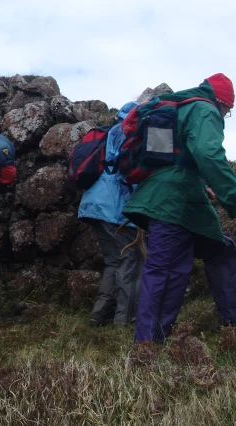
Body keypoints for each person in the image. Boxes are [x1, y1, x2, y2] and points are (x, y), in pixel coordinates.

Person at [122, 73, 236, 343]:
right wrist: (235, 200)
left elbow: (178, 161)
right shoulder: (205, 109)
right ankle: (147, 348)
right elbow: (207, 153)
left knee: (223, 251)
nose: (226, 115)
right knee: (167, 270)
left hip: (172, 196)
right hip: (175, 204)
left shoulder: (182, 106)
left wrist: (200, 185)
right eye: (228, 110)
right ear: (221, 102)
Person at [78, 102, 143, 327]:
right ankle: (125, 322)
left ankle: (100, 316)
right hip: (115, 209)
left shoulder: (108, 134)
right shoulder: (129, 134)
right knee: (130, 261)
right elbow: (131, 173)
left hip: (94, 206)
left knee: (114, 262)